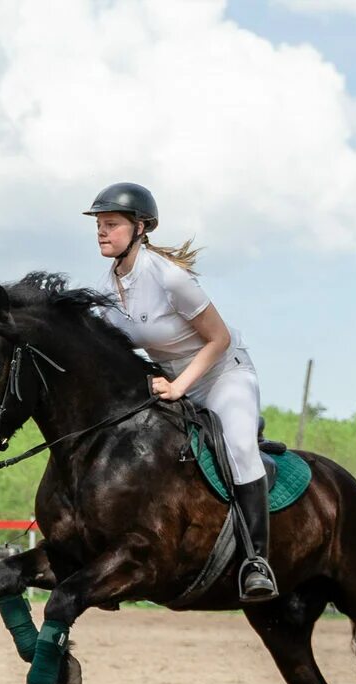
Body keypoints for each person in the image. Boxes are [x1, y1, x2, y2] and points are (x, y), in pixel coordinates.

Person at [84, 181, 277, 601]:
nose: (102, 232)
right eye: (99, 224)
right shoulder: (107, 285)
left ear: (140, 228)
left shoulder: (168, 276)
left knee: (240, 446)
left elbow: (219, 338)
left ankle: (257, 562)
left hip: (222, 374)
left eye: (111, 224)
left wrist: (178, 386)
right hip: (171, 382)